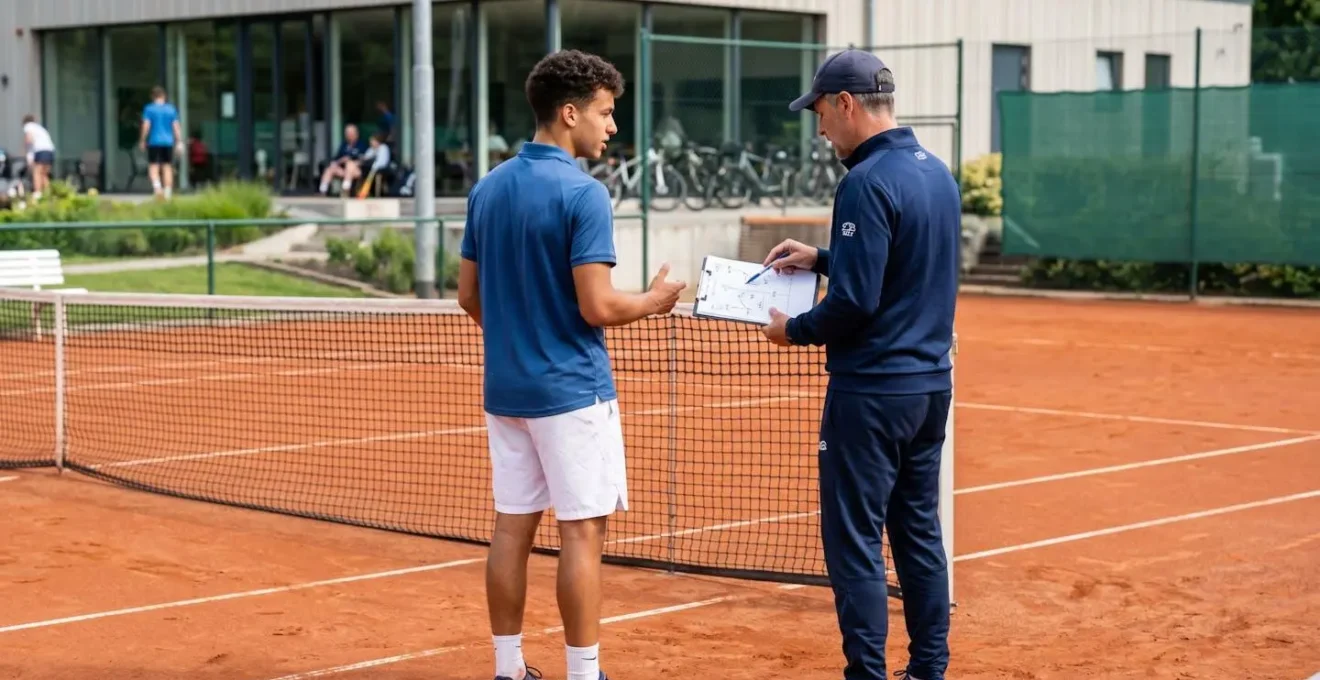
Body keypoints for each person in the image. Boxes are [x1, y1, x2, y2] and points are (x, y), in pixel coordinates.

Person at [457, 49, 686, 680]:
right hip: (571, 394)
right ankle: (584, 674)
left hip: (507, 392)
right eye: (605, 113)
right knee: (582, 535)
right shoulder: (584, 195)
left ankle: (509, 670)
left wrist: (519, 335)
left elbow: (468, 296)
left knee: (511, 530)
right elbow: (599, 305)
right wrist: (656, 300)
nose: (612, 127)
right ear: (568, 113)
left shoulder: (488, 188)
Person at [758, 49, 961, 680]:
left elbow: (855, 303)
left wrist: (794, 330)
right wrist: (820, 257)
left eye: (820, 113)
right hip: (929, 390)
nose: (820, 129)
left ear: (846, 104)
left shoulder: (865, 182)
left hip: (871, 396)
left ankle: (866, 675)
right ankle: (929, 670)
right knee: (919, 535)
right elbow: (901, 264)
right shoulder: (936, 173)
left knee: (854, 546)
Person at [140, 86, 182, 199]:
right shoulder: (171, 109)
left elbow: (146, 125)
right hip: (168, 142)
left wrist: (142, 140)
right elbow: (176, 126)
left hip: (154, 142)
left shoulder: (149, 109)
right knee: (167, 167)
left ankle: (157, 189)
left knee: (153, 166)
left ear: (153, 97)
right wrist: (179, 142)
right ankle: (168, 193)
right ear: (164, 96)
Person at [318, 124, 369, 196]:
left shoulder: (362, 144)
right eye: (347, 133)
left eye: (351, 133)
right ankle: (322, 190)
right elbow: (336, 158)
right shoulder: (344, 144)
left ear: (356, 133)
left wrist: (349, 159)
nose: (349, 135)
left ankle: (346, 189)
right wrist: (340, 161)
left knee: (350, 164)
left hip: (357, 171)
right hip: (344, 171)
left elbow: (363, 159)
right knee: (330, 169)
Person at [21, 114, 55, 199]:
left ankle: (37, 193)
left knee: (37, 172)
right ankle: (48, 194)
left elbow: (29, 139)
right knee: (44, 174)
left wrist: (25, 150)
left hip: (41, 150)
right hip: (50, 150)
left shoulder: (28, 126)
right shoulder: (39, 128)